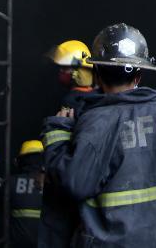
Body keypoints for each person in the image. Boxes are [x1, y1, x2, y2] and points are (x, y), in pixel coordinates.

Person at [42, 22, 156, 247]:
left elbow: (74, 182)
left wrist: (58, 133)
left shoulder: (96, 124)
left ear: (97, 72)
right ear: (139, 74)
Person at [39, 39, 95, 248]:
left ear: (75, 71)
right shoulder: (98, 100)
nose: (60, 73)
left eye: (64, 68)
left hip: (65, 185)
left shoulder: (74, 102)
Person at [9, 140, 44, 247]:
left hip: (17, 243)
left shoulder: (11, 182)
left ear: (21, 160)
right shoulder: (52, 182)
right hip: (46, 242)